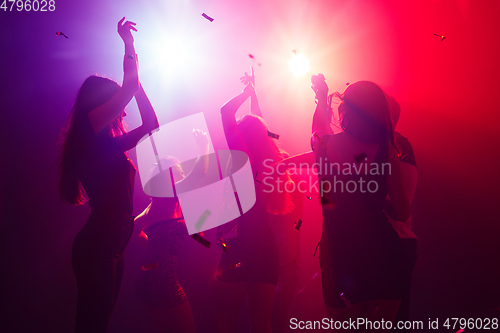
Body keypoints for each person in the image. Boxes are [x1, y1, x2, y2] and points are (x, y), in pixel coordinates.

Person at [58, 18, 159, 333]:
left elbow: (152, 126)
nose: (123, 110)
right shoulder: (90, 126)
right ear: (100, 105)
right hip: (98, 247)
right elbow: (128, 89)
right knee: (92, 326)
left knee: (95, 325)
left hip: (112, 247)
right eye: (116, 103)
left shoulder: (108, 144)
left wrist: (138, 87)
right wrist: (128, 44)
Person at [309, 75, 410, 331]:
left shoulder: (325, 145)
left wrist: (322, 98)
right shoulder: (386, 152)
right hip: (383, 254)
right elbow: (401, 212)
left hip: (339, 256)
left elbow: (318, 128)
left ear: (346, 110)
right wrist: (375, 199)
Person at [215, 70, 293, 333]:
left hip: (240, 246)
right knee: (261, 325)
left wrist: (246, 94)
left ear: (244, 134)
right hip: (266, 250)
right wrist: (254, 96)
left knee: (225, 322)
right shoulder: (270, 163)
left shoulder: (242, 161)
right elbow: (261, 129)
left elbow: (226, 111)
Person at [133, 129, 209, 333]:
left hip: (151, 277)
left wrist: (202, 224)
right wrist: (204, 145)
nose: (183, 173)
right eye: (178, 171)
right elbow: (199, 174)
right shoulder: (166, 196)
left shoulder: (160, 203)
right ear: (167, 176)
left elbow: (134, 229)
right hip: (161, 281)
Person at [387, 96, 418, 332]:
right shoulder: (364, 147)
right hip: (375, 245)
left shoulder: (399, 145)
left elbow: (402, 206)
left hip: (396, 244)